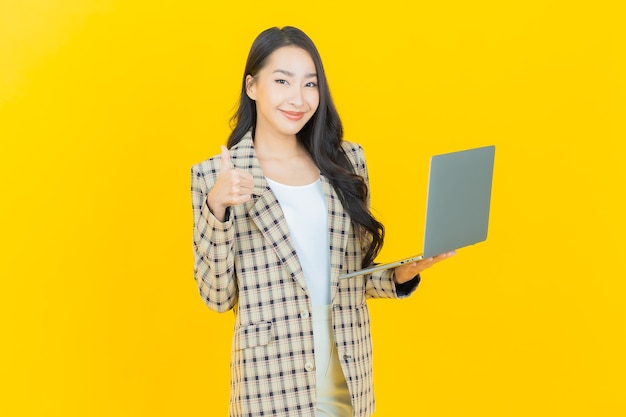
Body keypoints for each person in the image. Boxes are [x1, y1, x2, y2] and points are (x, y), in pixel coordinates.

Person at [191, 26, 454, 417]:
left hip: (347, 373)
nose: (298, 98)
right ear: (252, 86)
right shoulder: (215, 176)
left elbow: (353, 275)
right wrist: (217, 208)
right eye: (282, 81)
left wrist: (399, 275)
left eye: (310, 84)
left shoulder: (345, 162)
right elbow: (216, 296)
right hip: (271, 382)